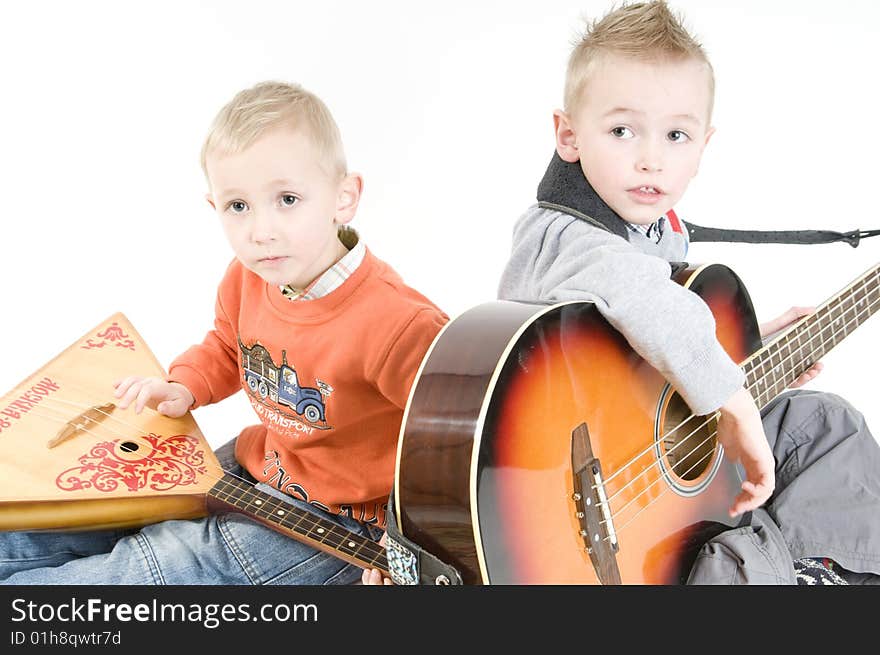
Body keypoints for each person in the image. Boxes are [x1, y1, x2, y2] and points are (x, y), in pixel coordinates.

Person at [0, 80, 447, 585]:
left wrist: (409, 541)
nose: (261, 230)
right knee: (110, 506)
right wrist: (184, 384)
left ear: (344, 198)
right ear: (215, 207)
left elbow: (458, 443)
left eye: (287, 199)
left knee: (158, 568)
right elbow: (228, 348)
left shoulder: (399, 324)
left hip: (344, 522)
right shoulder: (248, 277)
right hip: (262, 466)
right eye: (239, 206)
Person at [497, 1, 880, 584]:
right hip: (568, 488)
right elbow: (635, 292)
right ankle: (776, 569)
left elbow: (648, 346)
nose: (651, 158)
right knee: (737, 539)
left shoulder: (649, 229)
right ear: (569, 135)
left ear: (704, 145)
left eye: (677, 135)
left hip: (644, 457)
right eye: (622, 130)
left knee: (823, 424)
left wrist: (749, 347)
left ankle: (819, 569)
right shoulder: (563, 232)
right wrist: (732, 396)